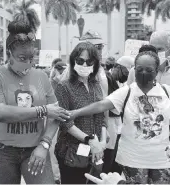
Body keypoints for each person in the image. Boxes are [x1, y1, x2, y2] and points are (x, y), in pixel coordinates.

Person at [68, 45, 170, 184]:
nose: (143, 73)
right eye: (139, 69)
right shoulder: (127, 92)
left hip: (162, 160)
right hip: (133, 160)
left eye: (149, 70)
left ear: (156, 70)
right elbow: (100, 105)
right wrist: (76, 112)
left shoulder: (166, 91)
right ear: (134, 69)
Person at [0, 18, 70, 184]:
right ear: (9, 53)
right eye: (22, 58)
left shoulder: (41, 77)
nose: (28, 63)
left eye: (32, 57)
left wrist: (44, 145)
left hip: (35, 149)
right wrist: (43, 110)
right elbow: (0, 113)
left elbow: (56, 115)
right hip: (2, 151)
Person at [127, 31, 170, 183]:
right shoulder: (134, 72)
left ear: (169, 50)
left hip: (168, 138)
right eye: (152, 49)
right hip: (140, 139)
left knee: (162, 180)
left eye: (159, 49)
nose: (154, 53)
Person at [54, 42, 107, 184]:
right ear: (73, 61)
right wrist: (89, 140)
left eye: (89, 61)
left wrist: (101, 142)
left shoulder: (96, 85)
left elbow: (101, 116)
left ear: (95, 63)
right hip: (71, 151)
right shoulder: (63, 86)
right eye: (80, 60)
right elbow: (65, 122)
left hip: (95, 151)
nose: (84, 65)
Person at [102, 56, 134, 175]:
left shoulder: (124, 82)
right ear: (119, 68)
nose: (127, 74)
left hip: (118, 125)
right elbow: (114, 107)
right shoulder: (107, 78)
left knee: (116, 159)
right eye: (126, 71)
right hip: (108, 122)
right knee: (107, 159)